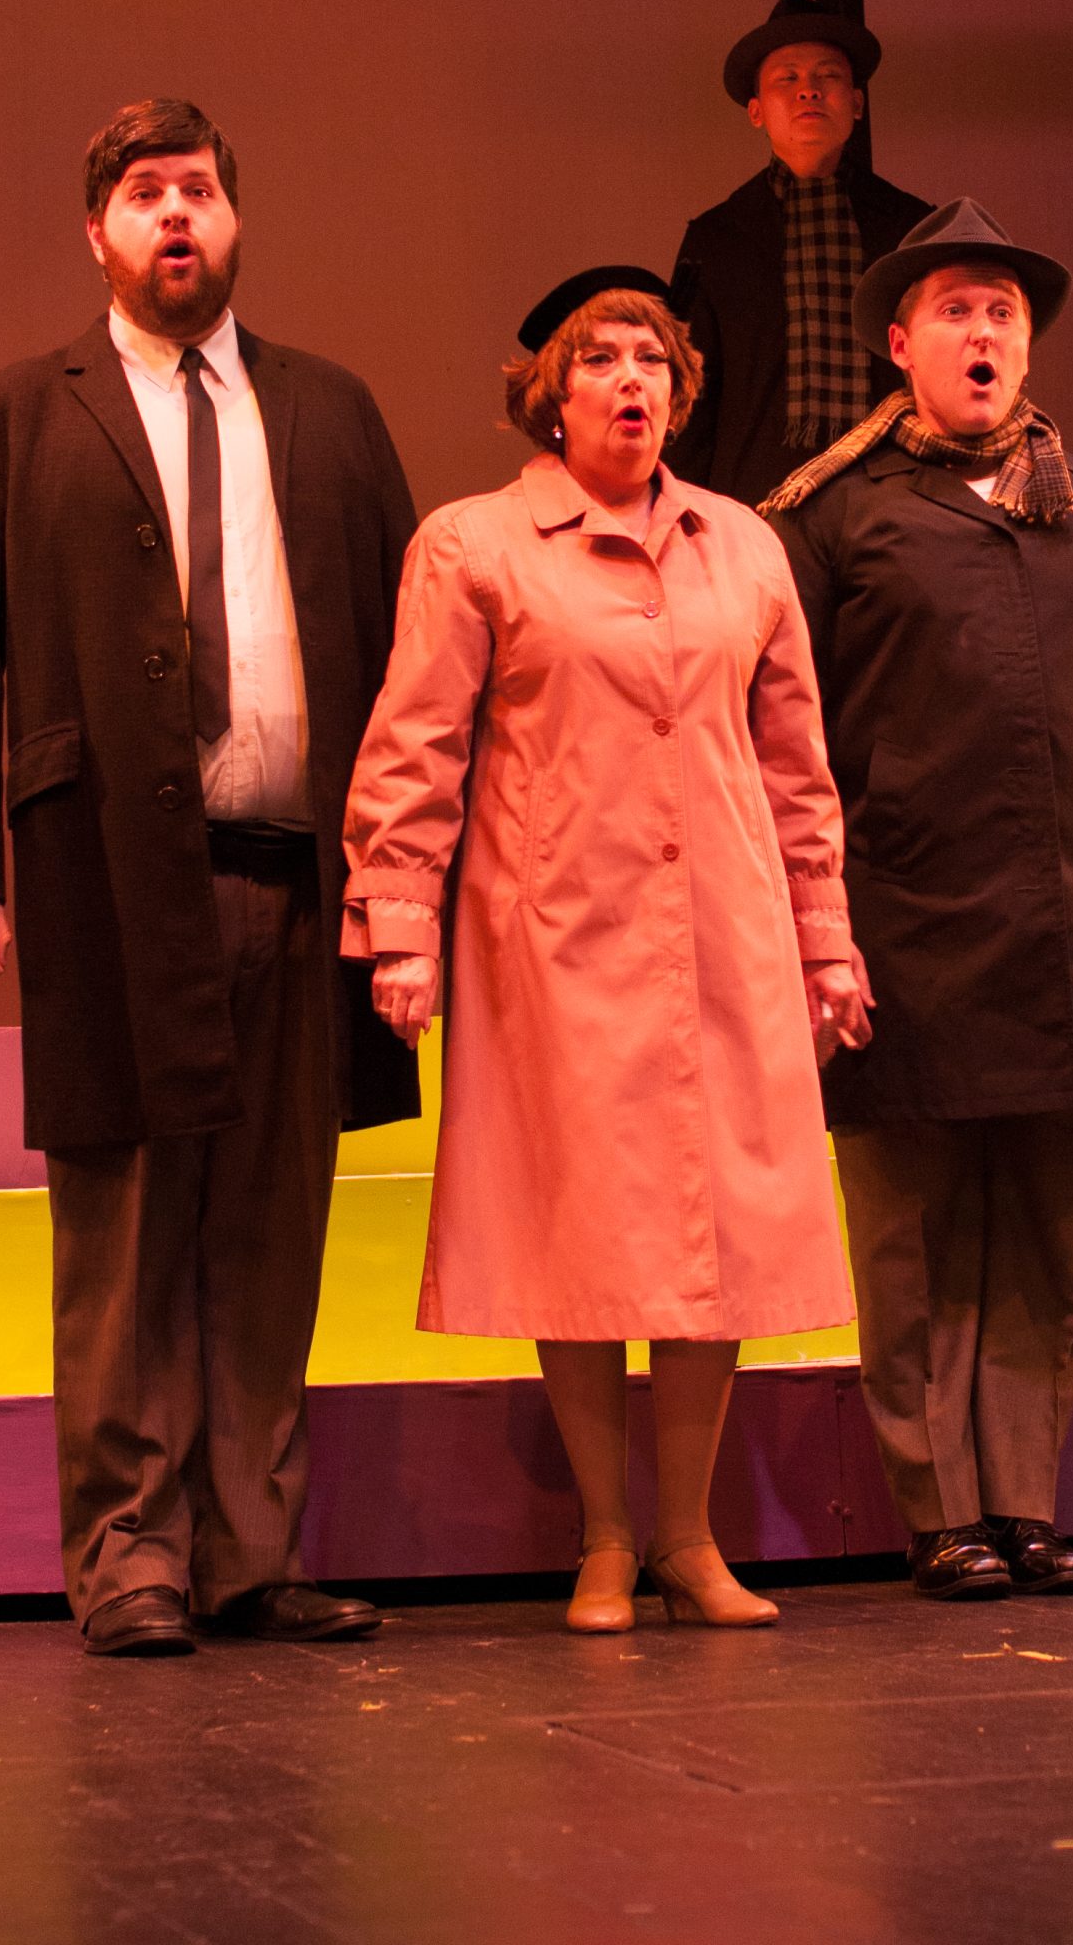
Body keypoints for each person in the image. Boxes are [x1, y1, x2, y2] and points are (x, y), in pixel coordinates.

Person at [0, 98, 419, 1657]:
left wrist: (410, 875)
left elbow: (408, 664)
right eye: (144, 194)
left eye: (197, 189)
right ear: (99, 234)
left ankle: (249, 1551)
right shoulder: (14, 414)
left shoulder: (329, 410)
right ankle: (131, 1555)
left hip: (299, 878)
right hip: (109, 875)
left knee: (272, 1221)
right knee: (124, 1231)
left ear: (235, 220)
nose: (174, 213)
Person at [342, 265, 867, 1633]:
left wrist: (825, 942)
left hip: (724, 933)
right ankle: (605, 1537)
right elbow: (414, 745)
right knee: (571, 1228)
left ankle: (687, 1537)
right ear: (550, 395)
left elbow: (797, 763)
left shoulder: (745, 547)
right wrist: (399, 929)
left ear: (679, 394)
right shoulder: (475, 544)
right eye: (600, 360)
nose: (630, 381)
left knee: (716, 1231)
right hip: (552, 939)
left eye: (651, 361)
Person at [765, 200, 1073, 1600]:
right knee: (912, 1241)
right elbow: (789, 743)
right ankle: (939, 1511)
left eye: (1001, 312)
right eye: (955, 308)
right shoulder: (836, 515)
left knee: (1044, 1243)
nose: (982, 332)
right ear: (901, 345)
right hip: (902, 932)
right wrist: (817, 929)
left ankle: (1022, 1501)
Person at [670, 0, 932, 506]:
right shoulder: (717, 238)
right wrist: (685, 514)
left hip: (897, 497)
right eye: (786, 79)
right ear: (756, 111)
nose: (808, 90)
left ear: (857, 103)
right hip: (753, 503)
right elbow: (688, 394)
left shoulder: (913, 229)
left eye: (827, 76)